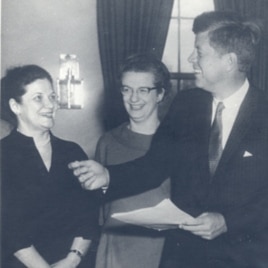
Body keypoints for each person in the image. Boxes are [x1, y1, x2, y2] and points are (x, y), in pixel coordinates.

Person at [69, 11, 268, 268]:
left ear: (229, 61)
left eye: (199, 52)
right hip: (184, 256)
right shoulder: (187, 104)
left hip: (245, 257)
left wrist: (229, 220)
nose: (191, 59)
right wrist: (108, 176)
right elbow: (155, 165)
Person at [1, 65, 100, 268]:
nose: (51, 105)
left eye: (52, 96)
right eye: (38, 98)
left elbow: (89, 213)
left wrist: (73, 259)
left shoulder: (72, 152)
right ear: (15, 106)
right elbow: (8, 227)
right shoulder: (3, 155)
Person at [95, 54, 171, 268]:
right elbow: (100, 212)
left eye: (143, 90)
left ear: (160, 94)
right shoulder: (108, 142)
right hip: (116, 249)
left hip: (164, 252)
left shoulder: (178, 142)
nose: (133, 98)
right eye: (127, 89)